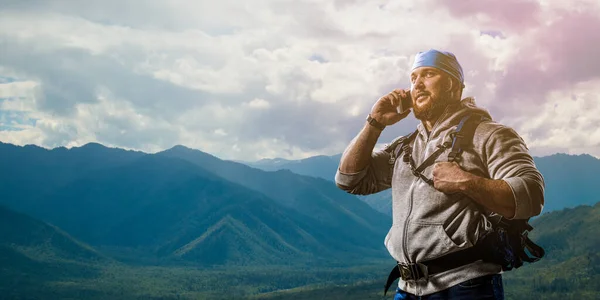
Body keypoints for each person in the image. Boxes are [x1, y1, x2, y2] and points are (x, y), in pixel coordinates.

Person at [334, 49, 545, 299]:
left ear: (453, 86)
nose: (417, 84)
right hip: (407, 288)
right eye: (413, 78)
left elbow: (531, 194)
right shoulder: (406, 146)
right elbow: (349, 180)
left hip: (466, 286)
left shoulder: (489, 134)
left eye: (429, 74)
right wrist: (375, 122)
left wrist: (466, 182)